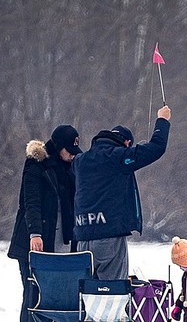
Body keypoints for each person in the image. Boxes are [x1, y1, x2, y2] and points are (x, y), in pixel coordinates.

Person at [73, 105, 171, 280]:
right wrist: (162, 120)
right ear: (126, 143)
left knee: (87, 294)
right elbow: (156, 148)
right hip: (109, 238)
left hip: (82, 239)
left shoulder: (80, 161)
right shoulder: (119, 157)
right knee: (113, 295)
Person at [7, 125, 81, 322]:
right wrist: (35, 233)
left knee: (59, 296)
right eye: (68, 150)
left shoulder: (70, 168)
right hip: (35, 243)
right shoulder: (36, 164)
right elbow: (31, 202)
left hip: (62, 242)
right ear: (58, 147)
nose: (72, 155)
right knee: (33, 294)